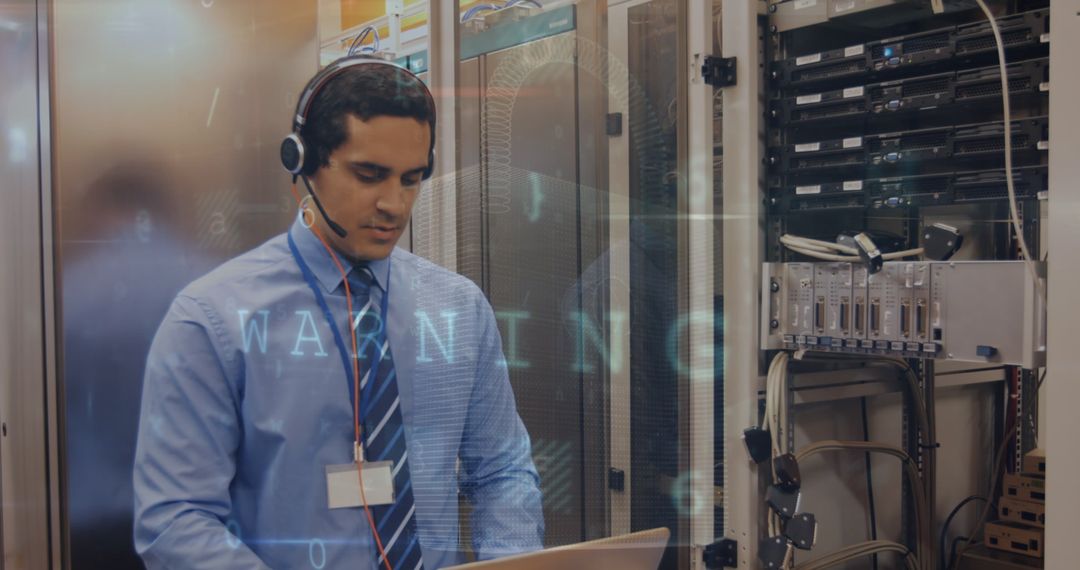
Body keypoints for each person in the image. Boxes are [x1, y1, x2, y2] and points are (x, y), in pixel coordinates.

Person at [133, 57, 544, 570]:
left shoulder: (458, 308)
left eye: (411, 179)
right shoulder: (213, 321)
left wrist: (513, 560)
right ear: (303, 161)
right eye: (369, 176)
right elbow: (176, 518)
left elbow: (501, 469)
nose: (394, 204)